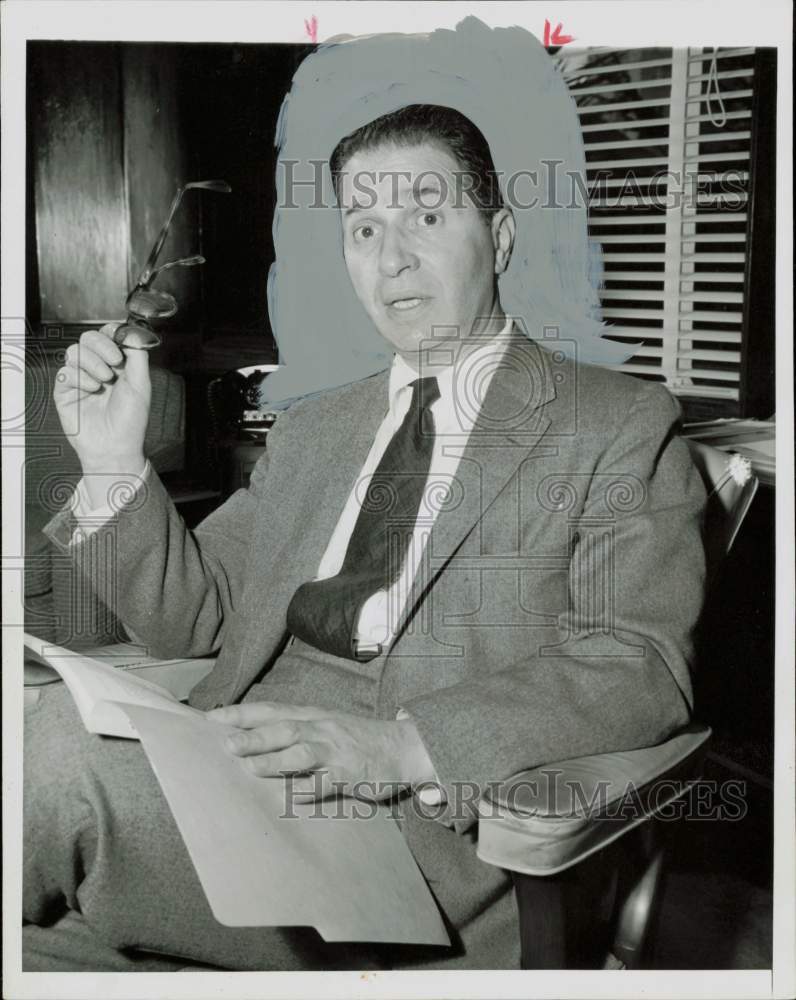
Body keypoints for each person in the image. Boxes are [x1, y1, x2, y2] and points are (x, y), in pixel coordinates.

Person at [23, 95, 706, 971]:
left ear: (497, 236)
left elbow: (640, 662)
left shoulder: (616, 422)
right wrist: (114, 461)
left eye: (427, 213)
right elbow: (201, 619)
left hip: (419, 841)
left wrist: (403, 745)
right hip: (232, 777)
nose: (394, 258)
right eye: (363, 228)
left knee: (53, 759)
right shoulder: (313, 430)